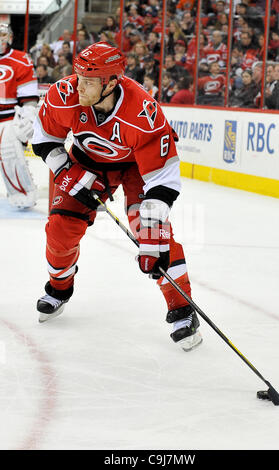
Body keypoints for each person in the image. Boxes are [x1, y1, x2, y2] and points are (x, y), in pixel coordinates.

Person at [31, 41, 202, 351]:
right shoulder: (65, 94)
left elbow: (163, 178)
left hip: (139, 168)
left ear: (111, 82)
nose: (78, 86)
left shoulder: (143, 111)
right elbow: (44, 138)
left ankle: (182, 309)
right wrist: (66, 170)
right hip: (85, 162)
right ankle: (59, 289)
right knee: (59, 228)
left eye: (88, 81)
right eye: (78, 76)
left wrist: (151, 229)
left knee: (155, 235)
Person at [0, 23, 38, 209]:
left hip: (8, 119)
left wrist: (29, 115)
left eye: (3, 34)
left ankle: (23, 192)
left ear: (10, 37)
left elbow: (29, 96)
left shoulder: (21, 59)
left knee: (9, 153)